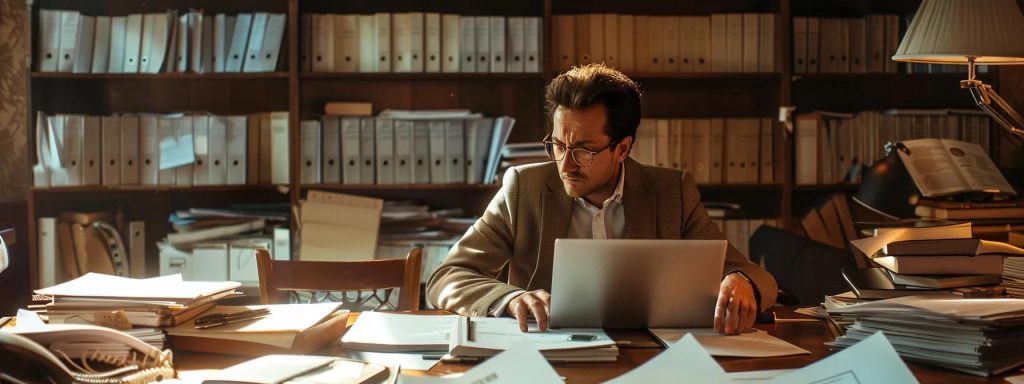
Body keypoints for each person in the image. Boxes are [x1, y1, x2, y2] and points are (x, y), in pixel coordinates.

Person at [426, 63, 778, 335]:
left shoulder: (673, 192)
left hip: (651, 357)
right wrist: (509, 297)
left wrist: (741, 283)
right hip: (548, 358)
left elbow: (752, 274)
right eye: (559, 145)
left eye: (583, 150)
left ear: (622, 147)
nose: (565, 164)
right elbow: (447, 277)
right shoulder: (524, 188)